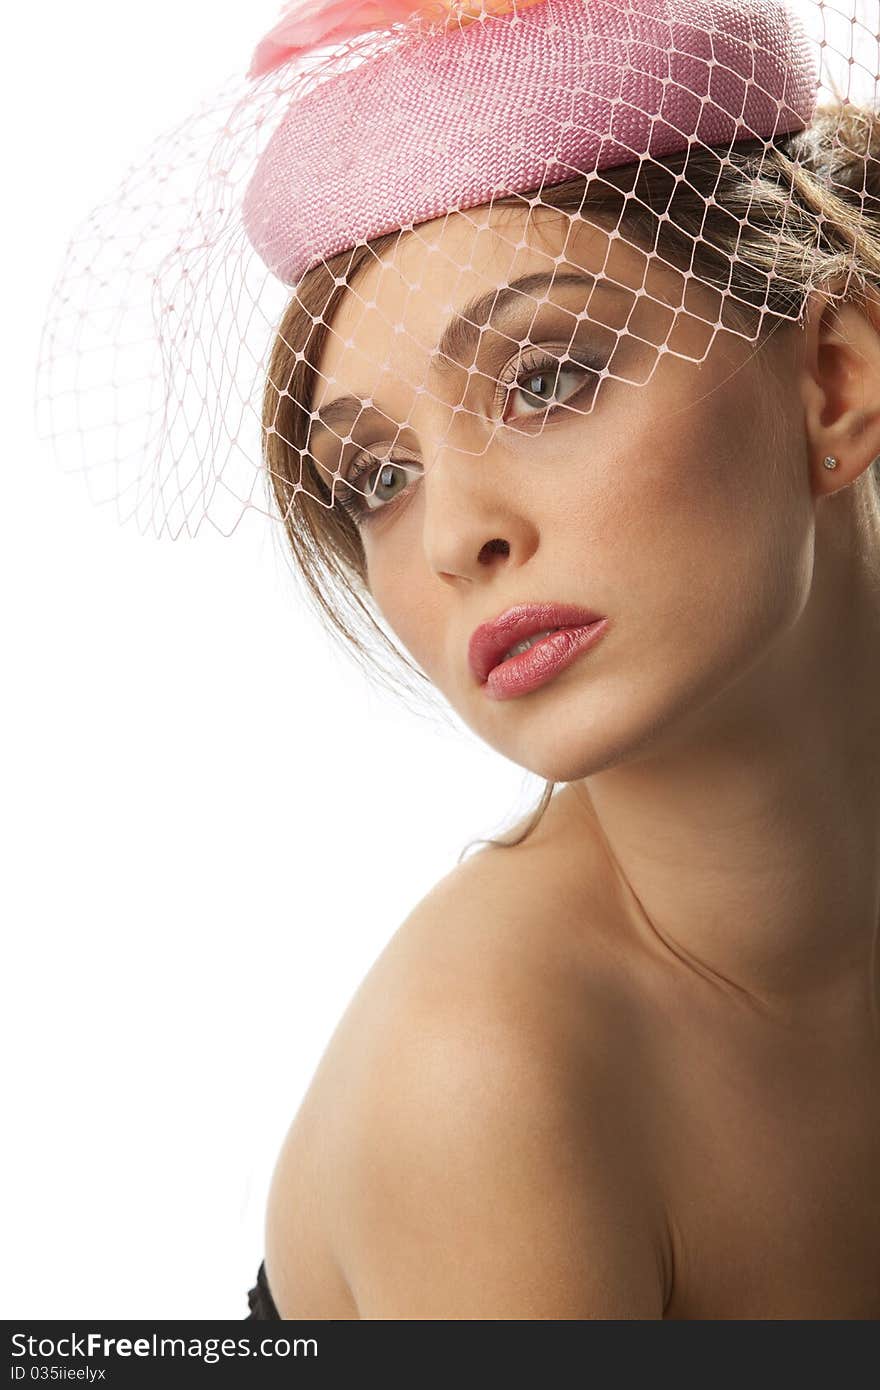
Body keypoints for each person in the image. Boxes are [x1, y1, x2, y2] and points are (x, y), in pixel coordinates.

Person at [37, 0, 880, 1319]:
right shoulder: (490, 1080)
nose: (452, 534)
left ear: (832, 380)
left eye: (544, 379)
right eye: (374, 474)